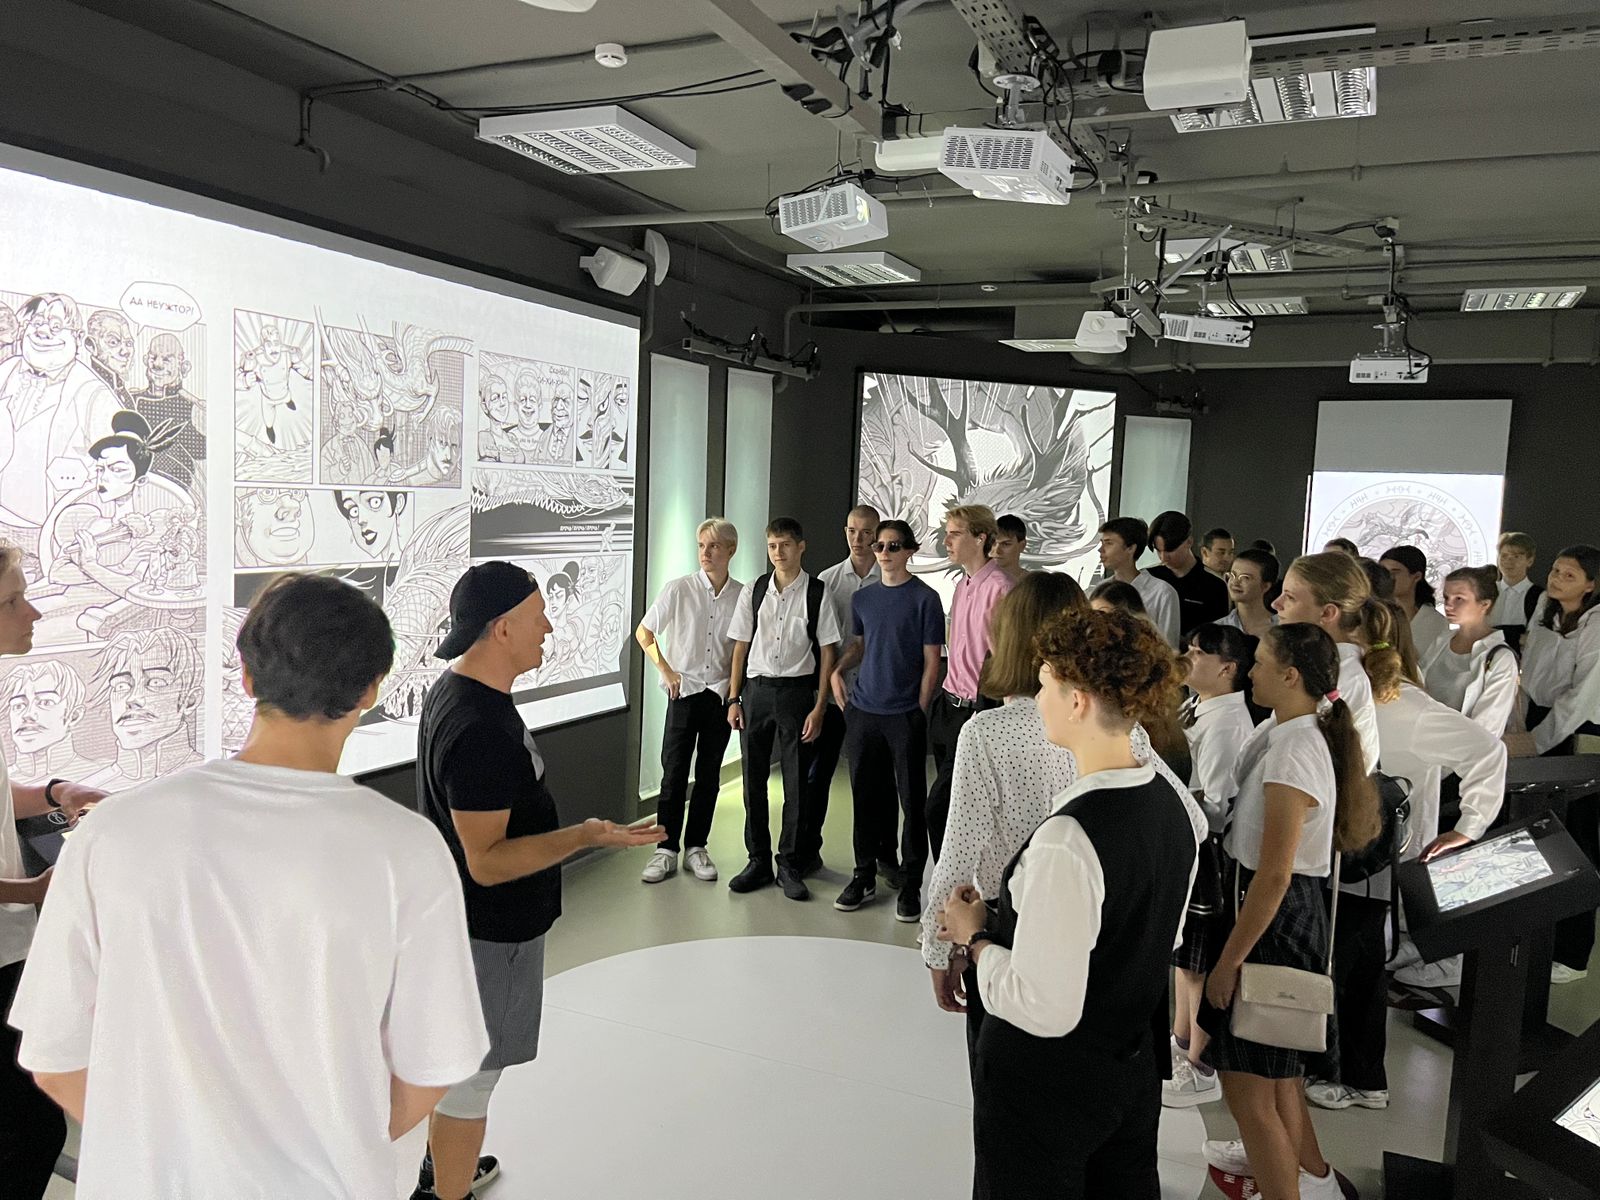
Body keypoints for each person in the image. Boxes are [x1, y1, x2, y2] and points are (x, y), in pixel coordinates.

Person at [12, 573, 481, 1198]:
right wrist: (333, 1149)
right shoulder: (408, 850)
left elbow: (54, 1057)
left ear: (247, 677)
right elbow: (433, 1066)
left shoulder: (111, 832)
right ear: (371, 689)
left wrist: (160, 1151)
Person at [415, 561, 664, 1200]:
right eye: (536, 618)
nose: (548, 628)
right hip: (490, 933)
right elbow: (487, 861)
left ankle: (440, 1171)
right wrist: (586, 836)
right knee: (473, 1081)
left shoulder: (463, 694)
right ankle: (446, 1191)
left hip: (473, 925)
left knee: (461, 1069)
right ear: (501, 629)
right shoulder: (478, 728)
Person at [937, 606, 1197, 1200]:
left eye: (1046, 684)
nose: (1038, 698)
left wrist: (975, 937)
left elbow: (1044, 1006)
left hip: (1048, 1086)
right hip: (1129, 1065)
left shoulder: (1069, 838)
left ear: (1077, 701)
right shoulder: (1171, 808)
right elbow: (1155, 934)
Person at [1200, 624, 1380, 1200]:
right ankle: (1311, 1179)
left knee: (1248, 1090)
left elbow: (1275, 873)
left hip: (1272, 920)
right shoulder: (1286, 732)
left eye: (1259, 662)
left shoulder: (1296, 751)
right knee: (1278, 1079)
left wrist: (1229, 962)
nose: (1250, 671)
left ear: (1291, 675)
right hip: (1272, 912)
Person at [0, 543, 104, 1200]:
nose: (32, 611)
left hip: (11, 949)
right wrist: (33, 891)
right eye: (12, 600)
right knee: (27, 1130)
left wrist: (54, 792)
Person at [829, 520, 943, 920]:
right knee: (864, 799)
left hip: (904, 714)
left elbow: (932, 660)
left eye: (893, 546)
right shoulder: (863, 599)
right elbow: (860, 645)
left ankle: (910, 885)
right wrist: (837, 670)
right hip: (864, 712)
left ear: (909, 551)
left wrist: (919, 709)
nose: (884, 553)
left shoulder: (926, 599)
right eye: (879, 546)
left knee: (912, 801)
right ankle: (864, 875)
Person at [1165, 623, 1259, 1110]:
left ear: (1228, 669)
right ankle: (1181, 1042)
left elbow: (1217, 805)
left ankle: (1200, 1062)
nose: (1188, 657)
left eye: (1199, 653)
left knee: (1199, 961)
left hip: (1208, 852)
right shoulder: (1198, 706)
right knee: (1184, 957)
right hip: (1190, 845)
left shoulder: (1226, 723)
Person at [725, 518, 841, 901]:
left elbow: (828, 651)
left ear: (801, 546)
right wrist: (734, 698)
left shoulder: (817, 592)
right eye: (773, 545)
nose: (779, 552)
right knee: (753, 781)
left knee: (796, 784)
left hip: (796, 694)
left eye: (786, 545)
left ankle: (789, 863)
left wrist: (820, 706)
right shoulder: (755, 590)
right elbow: (740, 646)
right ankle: (757, 860)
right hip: (756, 693)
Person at [635, 518, 743, 885]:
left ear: (731, 550)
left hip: (719, 696)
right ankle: (666, 849)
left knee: (709, 776)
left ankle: (697, 846)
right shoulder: (679, 589)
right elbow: (645, 631)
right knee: (674, 773)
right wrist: (666, 671)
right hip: (684, 693)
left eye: (714, 546)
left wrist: (735, 695)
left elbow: (741, 650)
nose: (706, 553)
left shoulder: (742, 596)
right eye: (701, 546)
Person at [1519, 545, 1600, 983]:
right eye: (1555, 570)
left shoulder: (1597, 624)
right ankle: (1532, 936)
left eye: (1570, 575)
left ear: (1591, 585)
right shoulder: (1544, 611)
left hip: (1581, 733)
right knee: (1534, 836)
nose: (1556, 578)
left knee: (1577, 842)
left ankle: (1572, 953)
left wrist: (1535, 741)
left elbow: (1580, 698)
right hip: (1538, 724)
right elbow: (1530, 676)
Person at [927, 504, 1015, 866]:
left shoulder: (1001, 588)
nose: (946, 541)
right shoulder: (961, 585)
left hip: (978, 712)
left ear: (980, 538)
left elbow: (1005, 658)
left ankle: (951, 884)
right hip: (948, 707)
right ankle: (954, 881)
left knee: (939, 808)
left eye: (955, 534)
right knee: (950, 809)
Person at [803, 504, 882, 877]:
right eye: (852, 531)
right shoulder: (828, 580)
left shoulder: (890, 578)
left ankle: (879, 859)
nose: (858, 539)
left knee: (873, 781)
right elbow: (819, 643)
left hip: (874, 696)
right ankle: (807, 850)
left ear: (877, 534)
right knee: (817, 775)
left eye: (866, 532)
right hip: (832, 696)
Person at [1271, 552, 1390, 774]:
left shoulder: (1342, 677)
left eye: (1290, 597)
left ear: (1327, 613)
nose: (1276, 604)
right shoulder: (1321, 667)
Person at [1423, 564, 1520, 738]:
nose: (1448, 605)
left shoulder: (1500, 657)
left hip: (1463, 747)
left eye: (1459, 599)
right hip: (1426, 741)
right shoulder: (1442, 641)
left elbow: (1488, 726)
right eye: (1446, 598)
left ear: (1484, 604)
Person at [130, 333, 207, 488]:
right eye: (153, 357)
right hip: (136, 481)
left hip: (175, 484)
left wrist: (204, 426)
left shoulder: (188, 406)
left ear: (183, 366)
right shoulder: (133, 400)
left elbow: (199, 452)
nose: (157, 364)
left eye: (166, 359)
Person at [1098, 516, 1180, 646]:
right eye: (1102, 543)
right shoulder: (1099, 590)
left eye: (1109, 543)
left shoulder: (1162, 593)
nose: (1101, 549)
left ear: (1131, 548)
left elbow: (1169, 646)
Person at [1149, 510, 1231, 634]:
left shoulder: (1215, 585)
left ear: (1189, 542)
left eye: (1170, 550)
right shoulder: (1149, 577)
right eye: (1158, 550)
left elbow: (1218, 636)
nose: (1163, 558)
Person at [1381, 545, 1450, 665]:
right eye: (1383, 573)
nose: (1387, 579)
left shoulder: (1435, 622)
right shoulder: (1376, 616)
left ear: (1416, 576)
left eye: (1394, 572)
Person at [1492, 531, 1543, 652]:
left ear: (1530, 560)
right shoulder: (1487, 590)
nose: (1509, 561)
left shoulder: (1539, 596)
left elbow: (1532, 638)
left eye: (1516, 557)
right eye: (1504, 555)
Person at [1221, 546, 1280, 640]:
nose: (1235, 582)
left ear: (1265, 586)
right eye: (1233, 575)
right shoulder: (1218, 629)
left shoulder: (1282, 630)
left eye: (1245, 578)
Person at [991, 513, 1028, 582]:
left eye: (1006, 544)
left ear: (1022, 546)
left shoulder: (1034, 584)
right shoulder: (976, 582)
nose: (997, 551)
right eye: (993, 543)